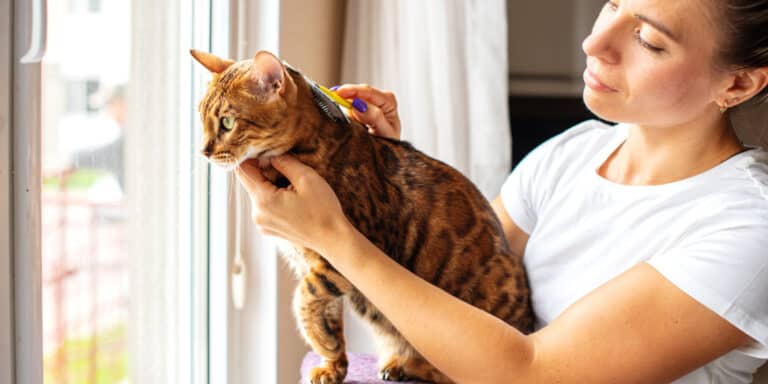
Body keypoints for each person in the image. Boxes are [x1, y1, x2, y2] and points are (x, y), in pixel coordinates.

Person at [235, 1, 768, 382]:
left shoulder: (747, 230)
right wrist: (387, 177)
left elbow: (529, 373)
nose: (594, 43)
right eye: (612, 4)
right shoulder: (572, 154)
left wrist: (336, 238)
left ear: (738, 84)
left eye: (648, 40)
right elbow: (460, 293)